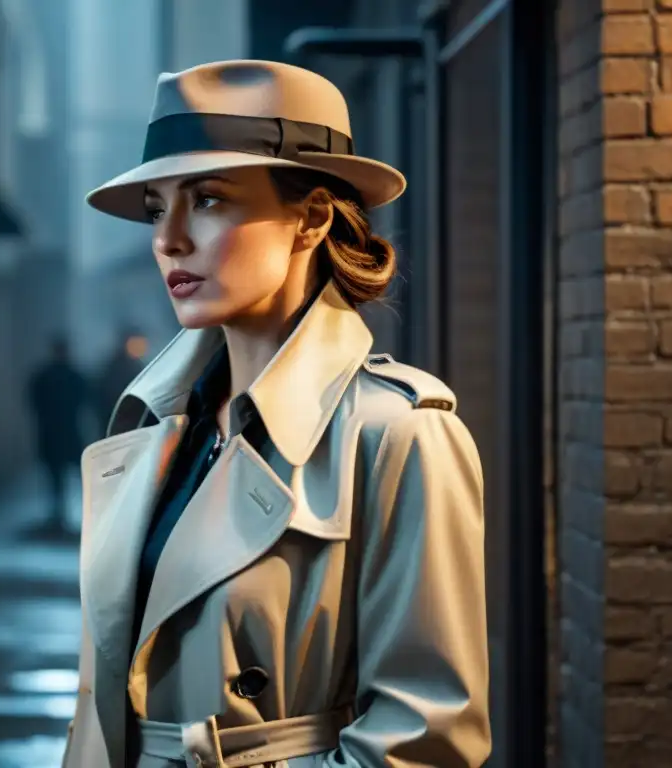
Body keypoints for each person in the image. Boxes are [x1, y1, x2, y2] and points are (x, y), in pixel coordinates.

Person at [64, 60, 490, 767]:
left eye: (207, 200)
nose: (168, 238)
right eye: (155, 207)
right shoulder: (155, 429)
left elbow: (425, 742)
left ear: (312, 217)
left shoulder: (400, 435)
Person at [25, 336, 87, 533]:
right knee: (69, 476)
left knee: (57, 478)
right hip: (66, 433)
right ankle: (64, 515)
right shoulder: (73, 376)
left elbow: (34, 402)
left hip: (53, 434)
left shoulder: (45, 376)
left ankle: (60, 516)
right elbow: (86, 401)